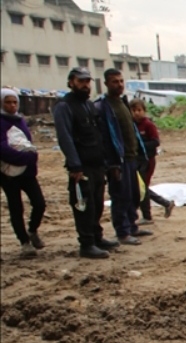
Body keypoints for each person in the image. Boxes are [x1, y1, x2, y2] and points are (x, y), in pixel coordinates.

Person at [53, 67, 118, 259]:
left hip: (96, 162)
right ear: (71, 82)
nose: (85, 85)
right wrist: (75, 165)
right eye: (80, 81)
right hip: (81, 166)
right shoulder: (64, 107)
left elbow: (98, 135)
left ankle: (97, 237)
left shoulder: (89, 105)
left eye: (87, 81)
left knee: (97, 203)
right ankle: (87, 243)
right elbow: (65, 138)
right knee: (84, 206)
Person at [96, 68, 150, 246]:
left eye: (121, 81)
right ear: (106, 84)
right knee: (121, 195)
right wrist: (111, 164)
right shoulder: (104, 107)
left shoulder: (123, 103)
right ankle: (122, 232)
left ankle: (132, 226)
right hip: (118, 160)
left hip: (131, 157)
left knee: (134, 194)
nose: (119, 85)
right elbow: (105, 137)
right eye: (114, 82)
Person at [1, 88, 46, 258]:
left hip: (27, 173)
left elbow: (26, 142)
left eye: (14, 102)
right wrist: (24, 158)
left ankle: (32, 230)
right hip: (8, 174)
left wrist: (30, 158)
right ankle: (24, 242)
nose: (12, 106)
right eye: (8, 102)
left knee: (39, 203)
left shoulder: (20, 120)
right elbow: (3, 148)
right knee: (16, 207)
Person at [130, 99, 175, 224]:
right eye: (133, 111)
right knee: (140, 187)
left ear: (144, 111)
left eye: (139, 110)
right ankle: (165, 204)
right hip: (136, 160)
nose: (136, 113)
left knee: (142, 188)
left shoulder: (148, 125)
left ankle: (148, 215)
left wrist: (141, 145)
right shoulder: (131, 125)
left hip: (147, 161)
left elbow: (156, 141)